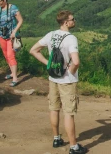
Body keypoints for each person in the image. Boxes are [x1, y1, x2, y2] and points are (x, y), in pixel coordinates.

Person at [29, 10, 88, 154]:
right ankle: (74, 147)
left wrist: (48, 64)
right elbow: (76, 61)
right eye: (72, 19)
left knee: (54, 108)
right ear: (66, 22)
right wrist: (71, 72)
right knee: (68, 112)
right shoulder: (71, 38)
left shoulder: (51, 35)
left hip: (53, 77)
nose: (74, 21)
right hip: (67, 80)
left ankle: (56, 138)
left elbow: (33, 50)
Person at [0, 0, 23, 87]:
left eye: (0, 2)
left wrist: (14, 31)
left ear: (5, 0)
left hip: (11, 36)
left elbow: (20, 20)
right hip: (1, 35)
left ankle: (15, 78)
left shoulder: (13, 8)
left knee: (11, 55)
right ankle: (12, 72)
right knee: (6, 55)